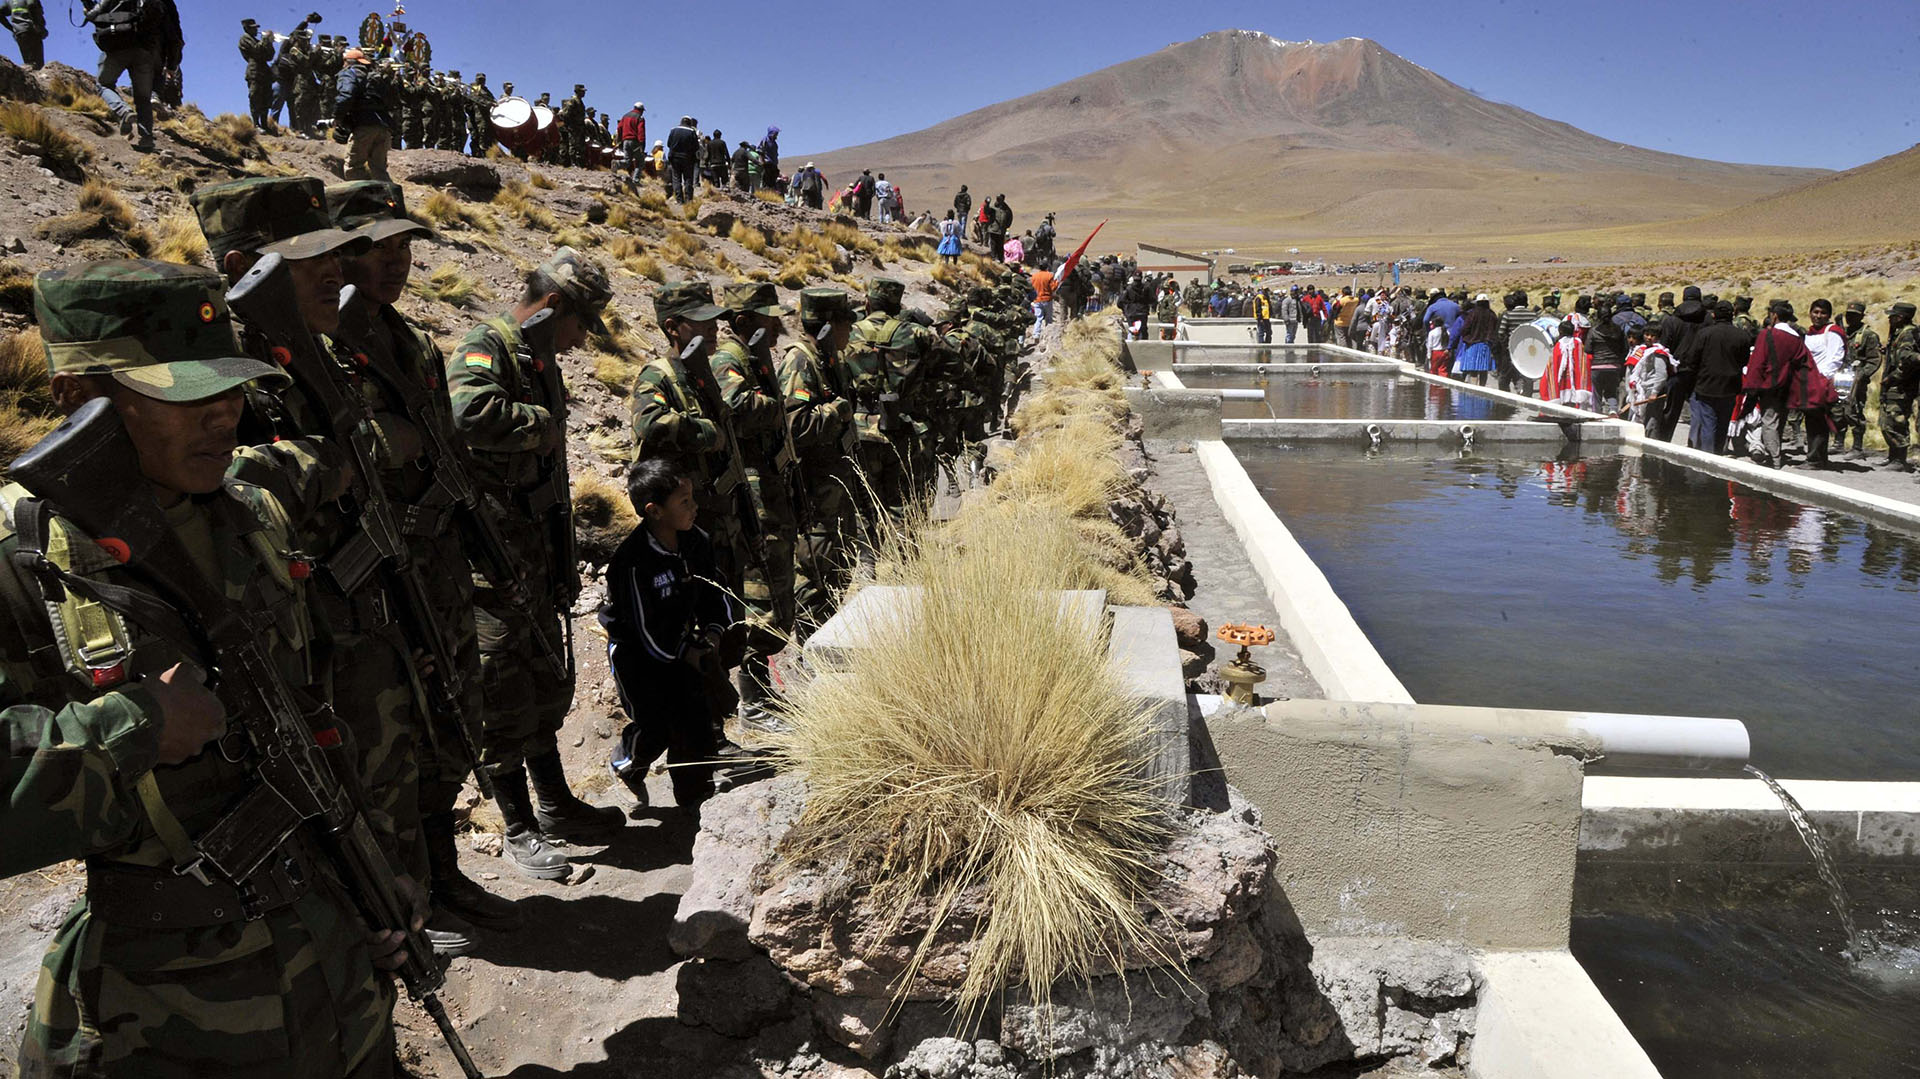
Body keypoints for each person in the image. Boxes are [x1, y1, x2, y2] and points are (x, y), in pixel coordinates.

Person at [6, 258, 418, 1078]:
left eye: (228, 385)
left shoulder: (248, 514)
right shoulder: (24, 571)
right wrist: (134, 727)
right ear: (76, 400)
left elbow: (314, 720)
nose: (224, 412)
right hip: (166, 1021)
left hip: (334, 973)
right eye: (183, 392)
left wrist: (371, 875)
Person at [323, 180, 522, 950]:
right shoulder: (313, 348)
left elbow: (448, 454)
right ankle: (405, 899)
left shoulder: (410, 344)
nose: (400, 261)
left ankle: (443, 875)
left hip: (434, 569)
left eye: (407, 245)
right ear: (337, 250)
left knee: (449, 724)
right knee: (385, 746)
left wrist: (476, 546)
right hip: (369, 586)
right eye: (380, 246)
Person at [447, 248, 627, 876]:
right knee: (500, 693)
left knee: (543, 687)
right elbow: (464, 413)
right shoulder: (487, 346)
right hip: (489, 565)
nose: (581, 341)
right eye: (578, 325)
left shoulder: (539, 357)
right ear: (552, 306)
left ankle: (555, 806)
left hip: (534, 556)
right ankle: (519, 828)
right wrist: (541, 422)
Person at [602, 459, 735, 814]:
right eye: (684, 502)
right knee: (656, 725)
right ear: (654, 511)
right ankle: (628, 764)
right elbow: (643, 629)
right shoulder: (631, 562)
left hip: (679, 643)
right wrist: (684, 651)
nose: (694, 508)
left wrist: (713, 632)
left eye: (692, 499)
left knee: (694, 716)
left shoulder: (696, 541)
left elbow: (712, 592)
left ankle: (695, 795)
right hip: (638, 655)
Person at [710, 282, 802, 726]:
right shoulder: (729, 359)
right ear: (744, 320)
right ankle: (755, 704)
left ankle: (766, 695)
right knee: (760, 597)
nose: (775, 326)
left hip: (771, 489)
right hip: (752, 494)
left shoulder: (755, 360)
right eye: (766, 319)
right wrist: (777, 402)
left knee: (777, 591)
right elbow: (736, 405)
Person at [778, 287, 859, 625]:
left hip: (835, 491)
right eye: (844, 323)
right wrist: (836, 412)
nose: (850, 330)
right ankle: (810, 655)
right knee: (814, 577)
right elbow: (795, 426)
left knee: (838, 571)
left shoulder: (830, 360)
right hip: (814, 495)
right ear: (827, 326)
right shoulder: (800, 360)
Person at [1742, 301, 1834, 468]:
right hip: (1788, 386)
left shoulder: (1767, 334)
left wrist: (1752, 387)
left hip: (1769, 384)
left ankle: (1774, 459)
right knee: (1781, 419)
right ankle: (1776, 454)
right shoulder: (1796, 338)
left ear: (1774, 316)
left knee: (1769, 421)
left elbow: (1758, 362)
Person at [84, 0, 180, 153]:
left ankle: (124, 112)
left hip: (116, 46)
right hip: (144, 50)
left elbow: (95, 15)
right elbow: (174, 35)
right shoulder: (160, 3)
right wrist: (172, 64)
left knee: (104, 84)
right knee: (143, 98)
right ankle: (146, 140)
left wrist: (88, 8)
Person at [1678, 300, 1747, 454]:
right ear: (1732, 315)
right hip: (1730, 387)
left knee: (1708, 424)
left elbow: (1692, 359)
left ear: (1714, 315)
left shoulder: (1705, 334)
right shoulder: (1741, 336)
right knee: (1723, 424)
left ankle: (1709, 459)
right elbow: (1744, 361)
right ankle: (1718, 453)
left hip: (1706, 385)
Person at [332, 48, 392, 182]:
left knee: (353, 168)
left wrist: (337, 117)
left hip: (364, 125)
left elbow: (346, 95)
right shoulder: (375, 76)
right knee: (379, 170)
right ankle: (390, 200)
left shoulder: (349, 73)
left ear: (347, 61)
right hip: (383, 127)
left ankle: (361, 201)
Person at [1875, 302, 1919, 472]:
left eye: (1892, 316)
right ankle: (1894, 456)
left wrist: (1893, 378)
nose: (1889, 319)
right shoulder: (1899, 333)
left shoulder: (1907, 334)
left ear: (1900, 317)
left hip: (1901, 386)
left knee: (1895, 420)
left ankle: (1900, 459)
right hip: (1897, 385)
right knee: (1888, 420)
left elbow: (1907, 360)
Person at [1839, 301, 1884, 459]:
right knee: (1838, 411)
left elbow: (1874, 360)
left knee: (1854, 411)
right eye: (1848, 315)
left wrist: (1862, 374)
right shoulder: (1842, 332)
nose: (1850, 318)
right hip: (1841, 378)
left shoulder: (1868, 335)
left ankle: (1857, 448)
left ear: (1861, 317)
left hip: (1857, 380)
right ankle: (1838, 443)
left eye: (1854, 316)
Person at [1625, 323, 1674, 439]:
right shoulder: (1642, 350)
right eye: (1647, 334)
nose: (1649, 338)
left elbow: (1661, 374)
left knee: (1651, 421)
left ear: (1658, 337)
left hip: (1651, 391)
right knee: (1638, 418)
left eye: (1653, 335)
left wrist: (1654, 392)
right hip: (1641, 390)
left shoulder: (1658, 353)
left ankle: (1650, 447)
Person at [1539, 318, 1593, 410]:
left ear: (1560, 332)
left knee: (1564, 404)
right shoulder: (1578, 343)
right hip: (1576, 380)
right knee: (1576, 404)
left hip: (1562, 381)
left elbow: (1552, 366)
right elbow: (1584, 362)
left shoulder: (1558, 345)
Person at [237, 17, 275, 129]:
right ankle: (256, 123)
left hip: (264, 72)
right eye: (253, 28)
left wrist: (270, 42)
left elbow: (269, 56)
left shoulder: (258, 40)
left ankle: (264, 123)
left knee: (266, 98)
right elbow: (256, 51)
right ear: (247, 28)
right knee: (255, 97)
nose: (256, 30)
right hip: (254, 71)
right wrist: (265, 39)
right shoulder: (244, 39)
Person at [1454, 295, 1498, 386]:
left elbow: (1465, 329)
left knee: (1473, 370)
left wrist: (1466, 337)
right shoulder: (1492, 314)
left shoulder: (1472, 314)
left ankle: (1474, 388)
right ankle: (1482, 387)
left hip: (1472, 345)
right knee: (1483, 370)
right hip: (1486, 345)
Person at [666, 115, 699, 202]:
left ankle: (679, 199)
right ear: (689, 123)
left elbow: (669, 144)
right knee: (688, 178)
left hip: (674, 157)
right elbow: (696, 146)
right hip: (687, 158)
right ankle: (688, 199)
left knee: (676, 178)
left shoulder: (673, 130)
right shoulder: (691, 131)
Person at [466, 72, 495, 157]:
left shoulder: (486, 90)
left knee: (485, 134)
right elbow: (475, 99)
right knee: (478, 134)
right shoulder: (474, 88)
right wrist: (488, 104)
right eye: (479, 79)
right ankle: (477, 154)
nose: (481, 81)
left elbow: (492, 99)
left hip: (486, 115)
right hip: (477, 115)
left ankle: (484, 153)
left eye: (483, 79)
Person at [618, 102, 645, 181]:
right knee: (640, 162)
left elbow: (619, 128)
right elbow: (641, 132)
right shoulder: (640, 117)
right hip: (635, 142)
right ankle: (635, 179)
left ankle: (618, 163)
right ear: (641, 110)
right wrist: (642, 144)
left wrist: (620, 140)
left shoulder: (625, 116)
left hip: (625, 141)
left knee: (627, 160)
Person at [1029, 260, 1056, 336]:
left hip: (1037, 299)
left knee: (1038, 318)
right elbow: (1053, 288)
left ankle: (1036, 334)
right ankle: (1049, 335)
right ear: (1047, 267)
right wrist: (1057, 283)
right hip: (1047, 299)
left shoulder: (1034, 276)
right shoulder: (1049, 275)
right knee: (1049, 318)